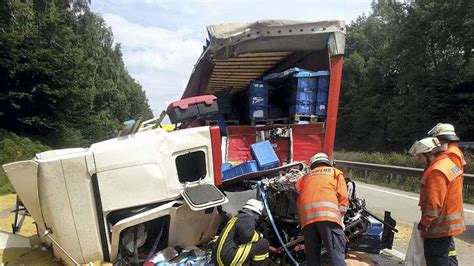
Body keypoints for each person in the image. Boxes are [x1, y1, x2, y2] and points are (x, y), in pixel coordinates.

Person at [408, 137, 465, 266]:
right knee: (448, 256)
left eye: (420, 156)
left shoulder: (436, 171)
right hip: (448, 224)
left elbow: (434, 203)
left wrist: (425, 223)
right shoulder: (448, 164)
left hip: (438, 227)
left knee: (436, 259)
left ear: (429, 154)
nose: (418, 159)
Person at [295, 152, 349, 266]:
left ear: (313, 165)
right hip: (328, 218)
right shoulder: (335, 172)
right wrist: (341, 217)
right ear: (328, 163)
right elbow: (343, 197)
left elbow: (298, 196)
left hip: (307, 221)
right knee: (336, 256)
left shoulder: (305, 177)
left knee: (312, 259)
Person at [212, 199, 275, 265]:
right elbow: (247, 236)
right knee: (263, 243)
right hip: (227, 258)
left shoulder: (239, 217)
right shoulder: (247, 217)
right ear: (257, 212)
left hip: (220, 258)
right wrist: (259, 235)